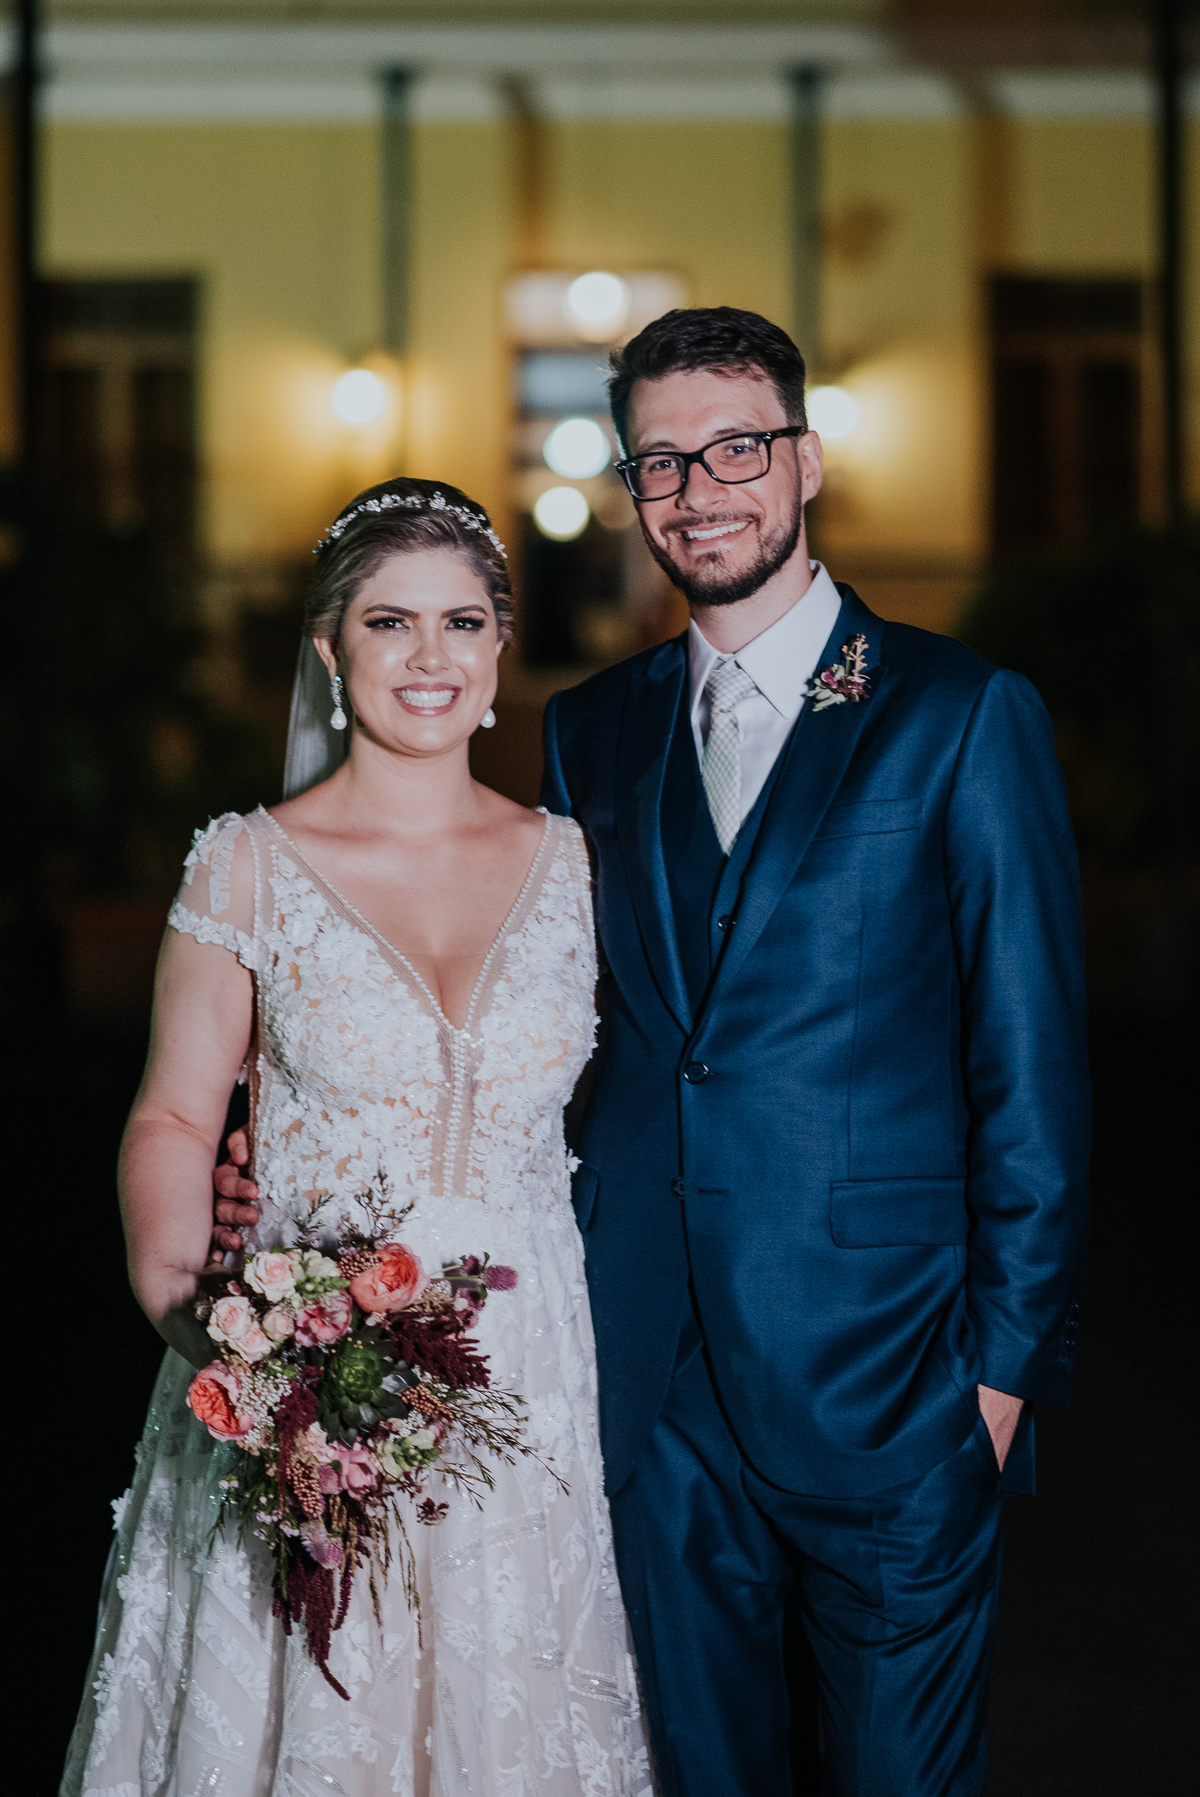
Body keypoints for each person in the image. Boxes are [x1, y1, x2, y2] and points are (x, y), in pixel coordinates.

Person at [215, 308, 1091, 1797]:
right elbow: (548, 1024)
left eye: (737, 447)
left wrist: (996, 1383)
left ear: (806, 459)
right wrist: (292, 1141)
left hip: (892, 1384)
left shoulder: (958, 714)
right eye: (662, 461)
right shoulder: (595, 729)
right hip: (647, 1386)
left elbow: (1035, 1076)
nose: (700, 489)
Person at [61, 479, 651, 1797]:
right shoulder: (247, 864)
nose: (429, 655)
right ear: (331, 650)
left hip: (524, 1368)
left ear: (500, 645)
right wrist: (205, 1326)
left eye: (461, 621)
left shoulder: (577, 864)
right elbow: (174, 1113)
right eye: (391, 622)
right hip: (300, 1367)